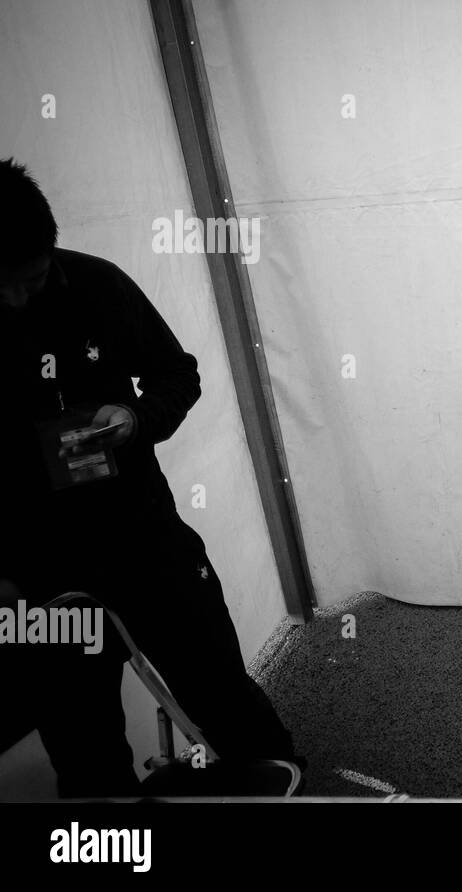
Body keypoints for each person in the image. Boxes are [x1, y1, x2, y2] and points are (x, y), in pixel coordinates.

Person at [0, 157, 296, 796]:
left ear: (49, 250)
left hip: (145, 542)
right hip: (42, 575)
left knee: (220, 691)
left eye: (29, 279)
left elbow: (178, 374)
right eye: (0, 284)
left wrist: (135, 417)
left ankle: (289, 786)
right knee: (81, 742)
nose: (15, 299)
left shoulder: (97, 286)